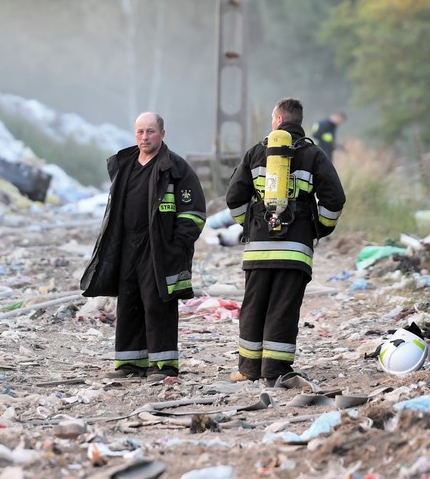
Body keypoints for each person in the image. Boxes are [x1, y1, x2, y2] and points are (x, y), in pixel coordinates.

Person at [226, 98, 346, 382]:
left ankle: (248, 369)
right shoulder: (313, 154)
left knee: (254, 306)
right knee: (283, 308)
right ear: (298, 121)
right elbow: (335, 199)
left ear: (278, 120)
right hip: (295, 250)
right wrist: (318, 229)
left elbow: (233, 198)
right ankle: (275, 370)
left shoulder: (256, 152)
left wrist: (251, 224)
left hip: (257, 248)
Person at [80, 112, 206, 381]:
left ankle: (163, 366)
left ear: (162, 133)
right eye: (140, 132)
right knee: (129, 302)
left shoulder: (176, 168)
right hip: (128, 244)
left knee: (158, 303)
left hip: (159, 247)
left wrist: (176, 247)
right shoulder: (124, 165)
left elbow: (194, 213)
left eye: (150, 131)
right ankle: (130, 363)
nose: (145, 137)